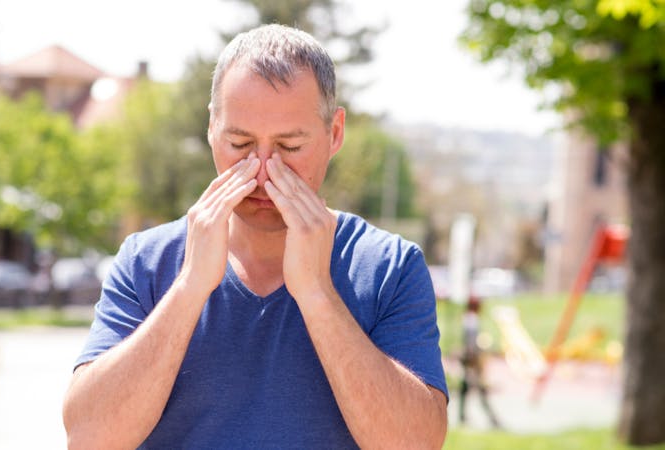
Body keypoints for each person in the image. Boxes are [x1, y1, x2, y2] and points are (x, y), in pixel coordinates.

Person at [62, 24, 448, 449]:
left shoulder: (389, 267)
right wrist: (190, 287)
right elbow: (89, 438)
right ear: (212, 128)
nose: (263, 171)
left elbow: (416, 444)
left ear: (334, 134)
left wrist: (318, 295)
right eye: (240, 143)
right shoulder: (146, 261)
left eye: (290, 147)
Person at [458, 296, 501, 428]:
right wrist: (475, 359)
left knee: (465, 388)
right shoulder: (472, 321)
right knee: (479, 388)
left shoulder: (467, 319)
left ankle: (462, 416)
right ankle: (491, 418)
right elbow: (471, 343)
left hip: (468, 358)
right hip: (472, 359)